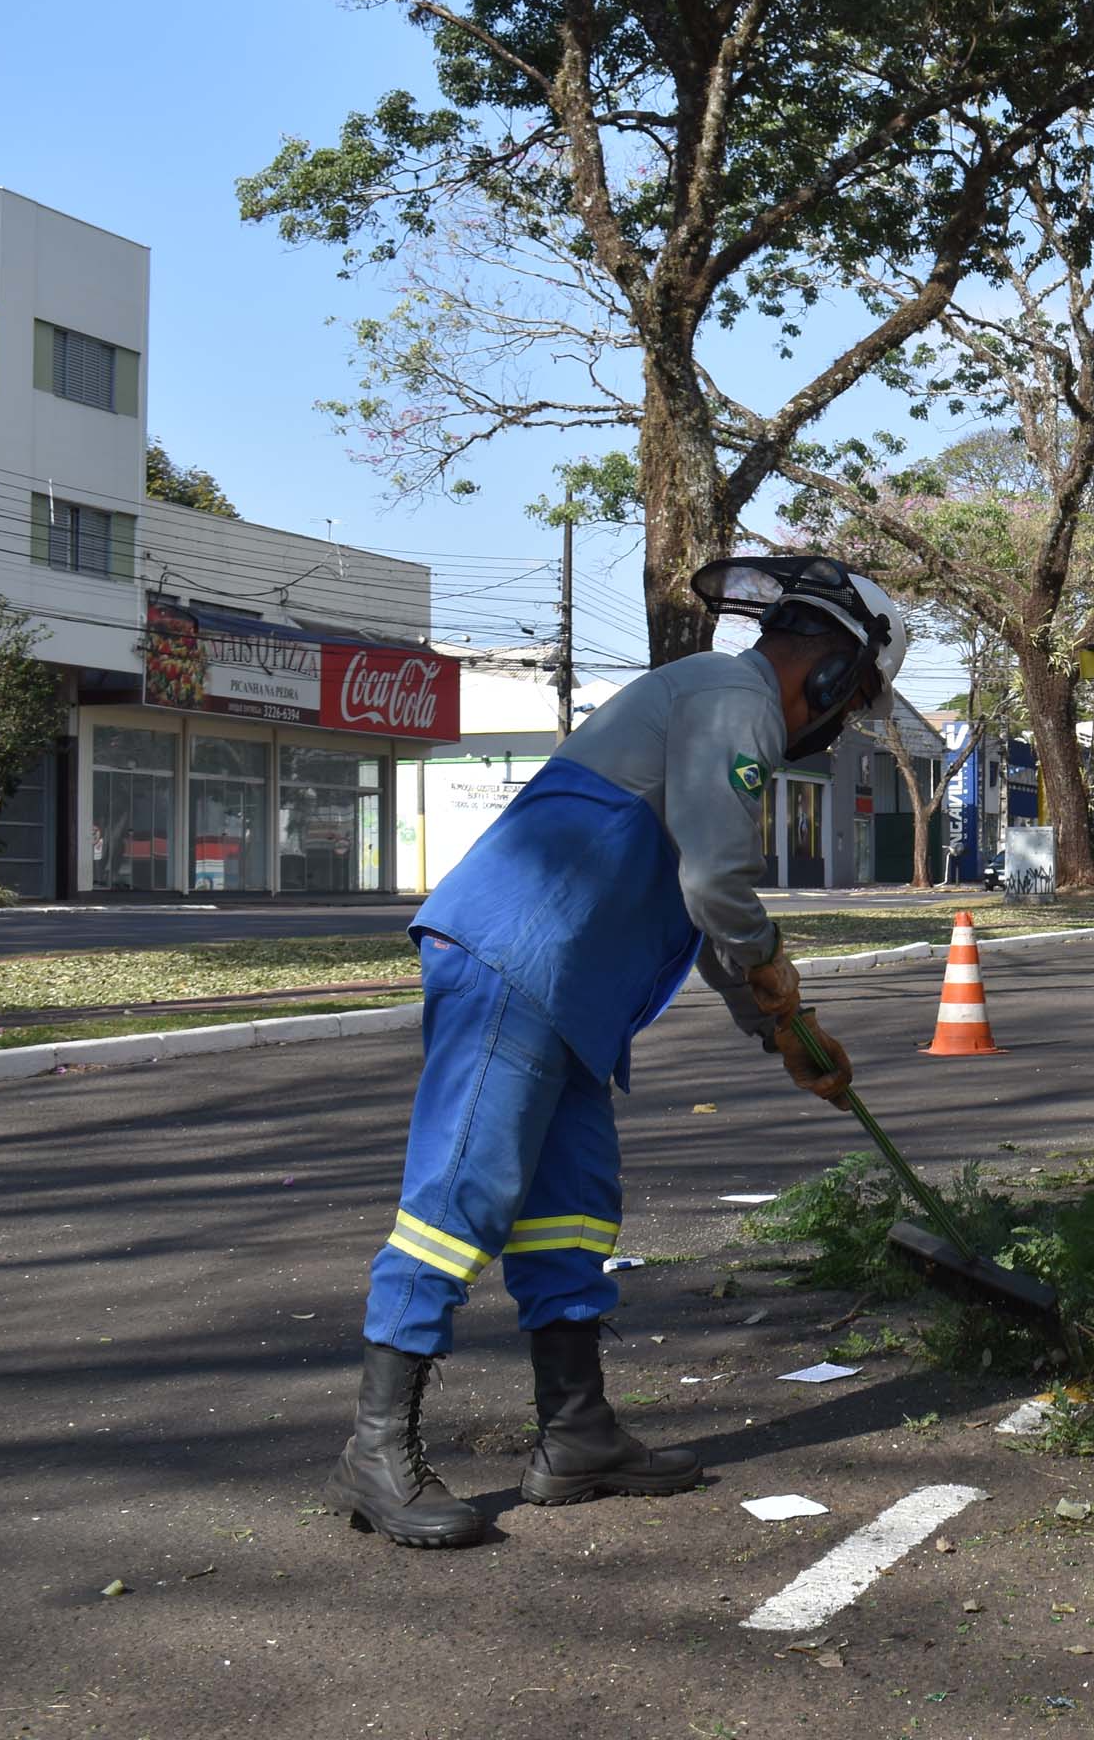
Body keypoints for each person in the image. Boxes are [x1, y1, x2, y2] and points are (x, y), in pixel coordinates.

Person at [324, 555, 908, 1549]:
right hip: (519, 958)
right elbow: (722, 884)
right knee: (458, 1198)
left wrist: (778, 1031)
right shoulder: (736, 697)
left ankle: (576, 1429)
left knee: (569, 1209)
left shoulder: (716, 702)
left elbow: (696, 887)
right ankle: (377, 1447)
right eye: (850, 703)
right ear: (831, 671)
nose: (838, 725)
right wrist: (780, 989)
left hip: (570, 990)